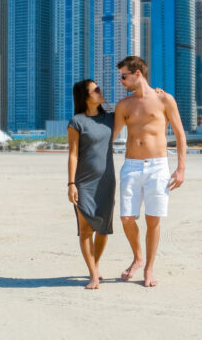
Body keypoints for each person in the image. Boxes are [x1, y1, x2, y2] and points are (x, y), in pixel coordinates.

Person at [112, 55, 187, 287]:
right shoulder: (124, 105)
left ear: (137, 74)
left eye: (124, 76)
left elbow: (180, 134)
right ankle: (137, 257)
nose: (121, 81)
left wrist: (181, 168)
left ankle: (149, 268)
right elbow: (110, 137)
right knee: (126, 218)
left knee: (153, 220)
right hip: (131, 166)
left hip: (158, 166)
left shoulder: (165, 100)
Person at [67, 79, 115, 289]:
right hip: (84, 182)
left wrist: (155, 92)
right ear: (86, 97)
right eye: (95, 90)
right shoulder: (76, 121)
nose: (100, 91)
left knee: (103, 229)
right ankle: (93, 274)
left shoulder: (111, 119)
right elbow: (73, 154)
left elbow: (135, 106)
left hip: (107, 181)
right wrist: (71, 183)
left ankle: (94, 265)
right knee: (86, 230)